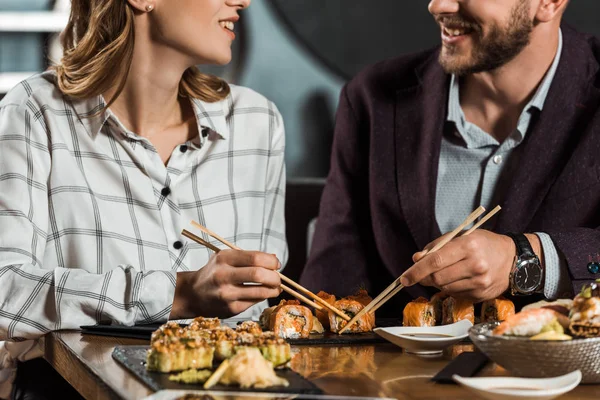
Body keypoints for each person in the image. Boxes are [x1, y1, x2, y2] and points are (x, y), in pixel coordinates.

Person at [0, 0, 287, 398]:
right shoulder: (34, 112)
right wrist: (176, 294)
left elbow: (259, 312)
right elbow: (5, 291)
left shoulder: (258, 122)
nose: (242, 0)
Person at [301, 0, 600, 314]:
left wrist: (526, 257)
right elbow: (331, 284)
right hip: (398, 363)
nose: (437, 6)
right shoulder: (373, 98)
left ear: (548, 3)